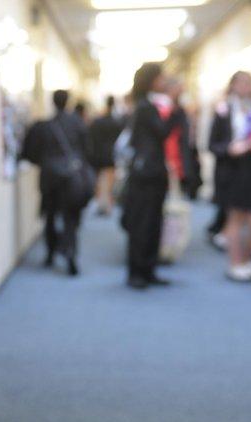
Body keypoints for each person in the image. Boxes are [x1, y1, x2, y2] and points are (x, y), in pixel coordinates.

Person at [122, 63, 184, 289]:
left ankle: (147, 269)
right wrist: (175, 108)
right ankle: (137, 271)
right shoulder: (145, 107)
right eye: (161, 78)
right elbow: (162, 132)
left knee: (153, 221)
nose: (164, 81)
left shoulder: (146, 105)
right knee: (143, 222)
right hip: (146, 174)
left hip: (153, 171)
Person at [208, 71, 251, 281]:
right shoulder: (224, 110)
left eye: (249, 83)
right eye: (241, 83)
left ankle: (247, 259)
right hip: (233, 169)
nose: (246, 87)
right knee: (236, 216)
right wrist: (230, 148)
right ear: (233, 85)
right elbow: (212, 144)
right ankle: (235, 263)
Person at [20, 90, 93, 276]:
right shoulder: (77, 123)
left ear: (52, 102)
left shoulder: (45, 126)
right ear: (68, 102)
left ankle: (51, 253)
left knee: (50, 215)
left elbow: (30, 153)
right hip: (71, 178)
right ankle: (70, 253)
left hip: (50, 176)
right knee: (70, 217)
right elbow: (86, 150)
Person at [87, 95, 125, 215]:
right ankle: (108, 204)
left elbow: (91, 138)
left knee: (98, 180)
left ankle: (100, 203)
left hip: (98, 155)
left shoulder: (97, 122)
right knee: (109, 181)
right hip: (110, 155)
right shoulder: (116, 122)